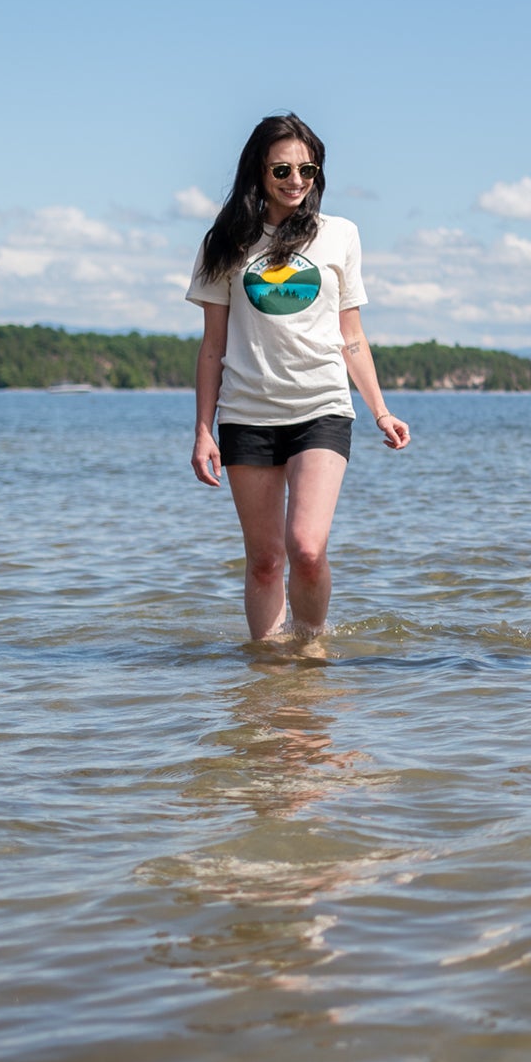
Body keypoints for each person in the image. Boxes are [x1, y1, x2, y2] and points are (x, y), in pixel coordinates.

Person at [188, 113, 410, 658]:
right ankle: (266, 672)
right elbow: (212, 345)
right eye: (282, 168)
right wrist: (202, 431)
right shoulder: (225, 242)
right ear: (258, 171)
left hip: (322, 408)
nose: (296, 179)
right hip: (247, 413)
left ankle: (311, 650)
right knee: (265, 559)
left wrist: (381, 410)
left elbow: (351, 335)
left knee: (306, 548)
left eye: (307, 168)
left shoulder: (340, 234)